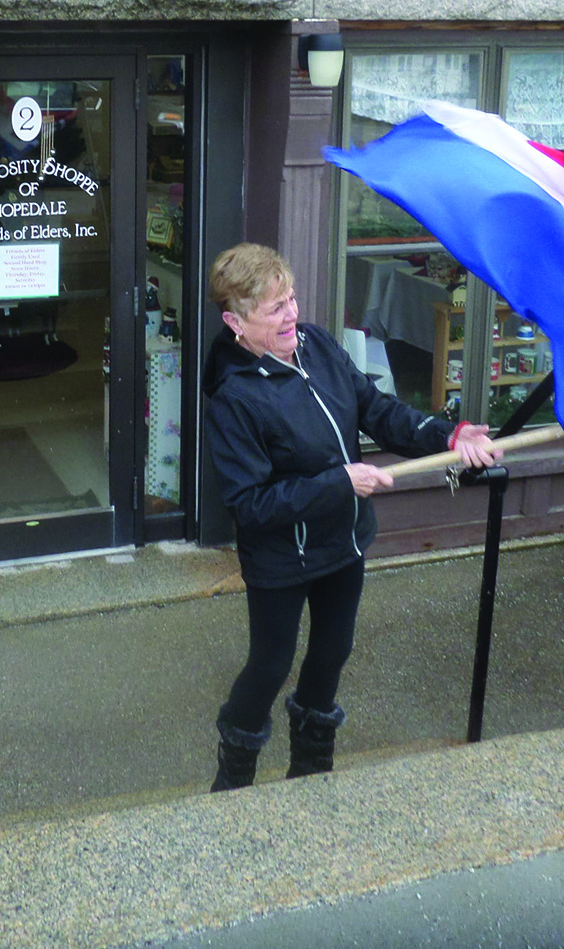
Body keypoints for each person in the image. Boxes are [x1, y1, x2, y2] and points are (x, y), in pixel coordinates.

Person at [201, 243, 500, 791]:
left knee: (334, 650)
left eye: (291, 299)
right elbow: (250, 505)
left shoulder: (317, 346)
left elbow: (376, 409)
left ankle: (311, 773)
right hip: (282, 558)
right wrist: (338, 482)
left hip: (343, 539)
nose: (292, 314)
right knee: (270, 665)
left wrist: (448, 434)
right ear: (234, 321)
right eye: (274, 309)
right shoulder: (232, 396)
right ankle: (233, 777)